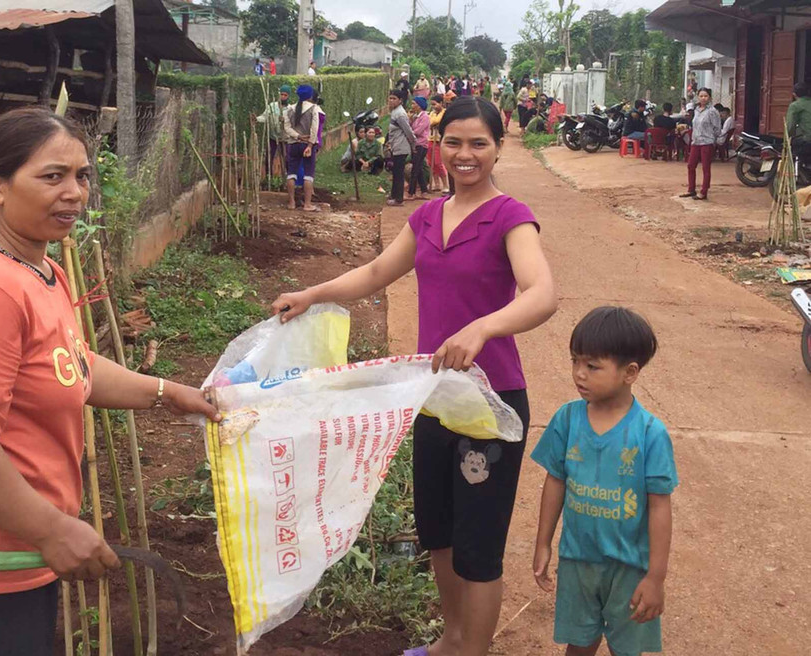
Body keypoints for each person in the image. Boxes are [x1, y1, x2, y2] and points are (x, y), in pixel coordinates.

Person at [0, 107, 220, 656]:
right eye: (52, 176)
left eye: (81, 176)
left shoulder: (39, 271)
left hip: (19, 554)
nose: (74, 192)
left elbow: (75, 364)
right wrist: (52, 529)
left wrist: (168, 393)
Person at [272, 95, 556, 656]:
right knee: (440, 534)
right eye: (454, 142)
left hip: (490, 405)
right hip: (433, 398)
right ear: (438, 145)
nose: (466, 154)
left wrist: (482, 329)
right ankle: (451, 641)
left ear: (498, 148)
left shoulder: (511, 217)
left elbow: (543, 294)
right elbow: (378, 271)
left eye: (480, 143)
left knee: (478, 546)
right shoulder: (426, 216)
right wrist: (311, 294)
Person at [531, 306, 677, 656]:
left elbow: (659, 506)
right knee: (578, 643)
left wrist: (655, 577)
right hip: (577, 559)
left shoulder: (649, 434)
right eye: (575, 361)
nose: (579, 374)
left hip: (629, 568)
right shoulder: (567, 420)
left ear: (630, 372)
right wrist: (544, 543)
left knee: (626, 649)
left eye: (592, 366)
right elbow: (555, 482)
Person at [284, 84, 321, 211]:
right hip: (307, 146)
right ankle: (307, 204)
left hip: (293, 144)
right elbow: (314, 128)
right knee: (308, 174)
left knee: (291, 173)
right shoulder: (314, 108)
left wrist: (298, 136)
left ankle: (291, 203)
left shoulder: (290, 109)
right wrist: (310, 144)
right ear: (310, 96)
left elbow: (287, 128)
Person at [680, 88, 720, 201]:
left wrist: (712, 139)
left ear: (710, 97)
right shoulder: (696, 110)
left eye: (706, 96)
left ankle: (704, 191)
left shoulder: (712, 111)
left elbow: (717, 128)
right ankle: (691, 189)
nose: (703, 98)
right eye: (701, 96)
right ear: (698, 97)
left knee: (706, 168)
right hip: (696, 142)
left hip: (707, 142)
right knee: (691, 165)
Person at [385, 89, 416, 206]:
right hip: (396, 147)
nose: (391, 101)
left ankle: (398, 199)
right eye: (390, 98)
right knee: (396, 172)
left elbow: (408, 131)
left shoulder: (400, 114)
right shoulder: (395, 112)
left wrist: (413, 144)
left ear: (400, 101)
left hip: (401, 147)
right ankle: (394, 195)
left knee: (398, 173)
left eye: (394, 99)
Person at [253, 84, 291, 176]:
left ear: (288, 96)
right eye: (281, 94)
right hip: (273, 137)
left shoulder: (290, 109)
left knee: (286, 159)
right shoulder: (272, 106)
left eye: (285, 95)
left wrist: (284, 121)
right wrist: (256, 119)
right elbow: (265, 117)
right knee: (269, 158)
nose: (283, 97)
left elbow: (292, 123)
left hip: (285, 138)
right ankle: (268, 177)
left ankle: (289, 177)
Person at [407, 96, 431, 200]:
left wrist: (409, 132)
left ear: (419, 105)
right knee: (419, 168)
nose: (412, 106)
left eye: (414, 104)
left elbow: (417, 131)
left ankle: (411, 192)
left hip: (421, 144)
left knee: (415, 169)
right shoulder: (416, 116)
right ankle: (424, 190)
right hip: (416, 144)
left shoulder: (425, 117)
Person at [428, 94, 449, 193]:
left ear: (441, 103)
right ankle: (436, 184)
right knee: (431, 163)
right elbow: (430, 122)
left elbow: (436, 121)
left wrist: (433, 122)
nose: (433, 107)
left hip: (439, 141)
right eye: (432, 105)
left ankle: (445, 185)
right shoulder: (432, 113)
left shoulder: (445, 113)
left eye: (435, 104)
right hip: (430, 139)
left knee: (438, 163)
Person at [786, 82, 811, 158]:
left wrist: (786, 140)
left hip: (806, 141)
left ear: (794, 94)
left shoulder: (795, 106)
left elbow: (790, 127)